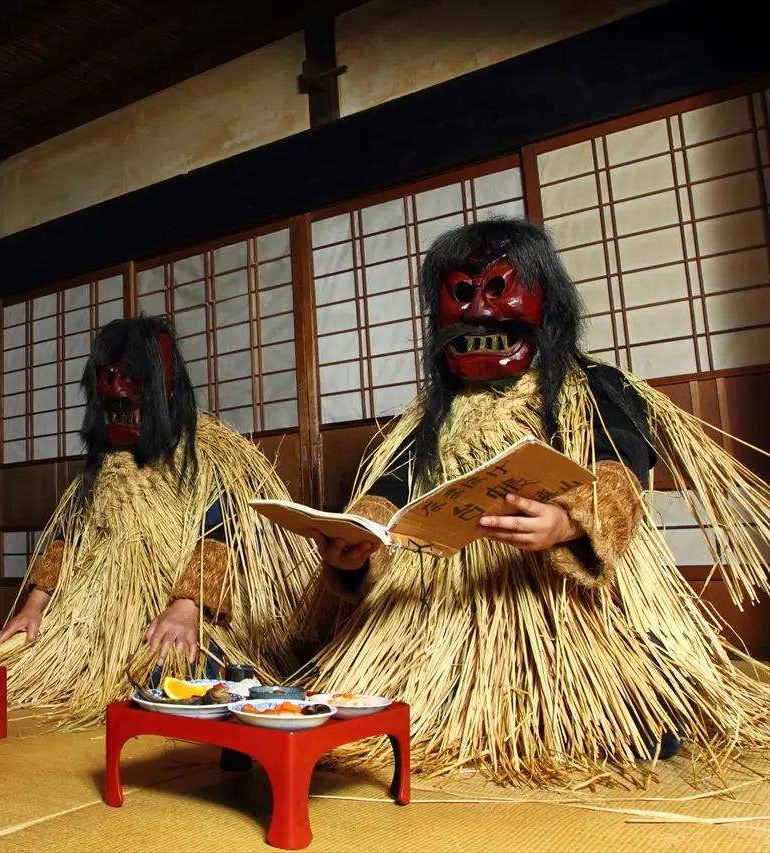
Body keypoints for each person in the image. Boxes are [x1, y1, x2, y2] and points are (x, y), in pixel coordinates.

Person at [296, 217, 770, 786]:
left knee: (641, 729)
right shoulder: (428, 420)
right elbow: (387, 494)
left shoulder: (594, 390)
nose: (479, 312)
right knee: (355, 715)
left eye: (499, 289)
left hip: (557, 606)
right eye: (462, 294)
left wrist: (570, 521)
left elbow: (620, 473)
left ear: (549, 300)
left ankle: (616, 688)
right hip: (443, 607)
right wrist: (358, 538)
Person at [0, 315, 318, 731]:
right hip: (93, 617)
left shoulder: (211, 455)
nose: (119, 401)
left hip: (186, 610)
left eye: (131, 391)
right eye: (109, 388)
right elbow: (68, 537)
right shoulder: (101, 468)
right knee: (6, 664)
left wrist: (186, 607)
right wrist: (33, 607)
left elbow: (224, 534)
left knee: (176, 677)